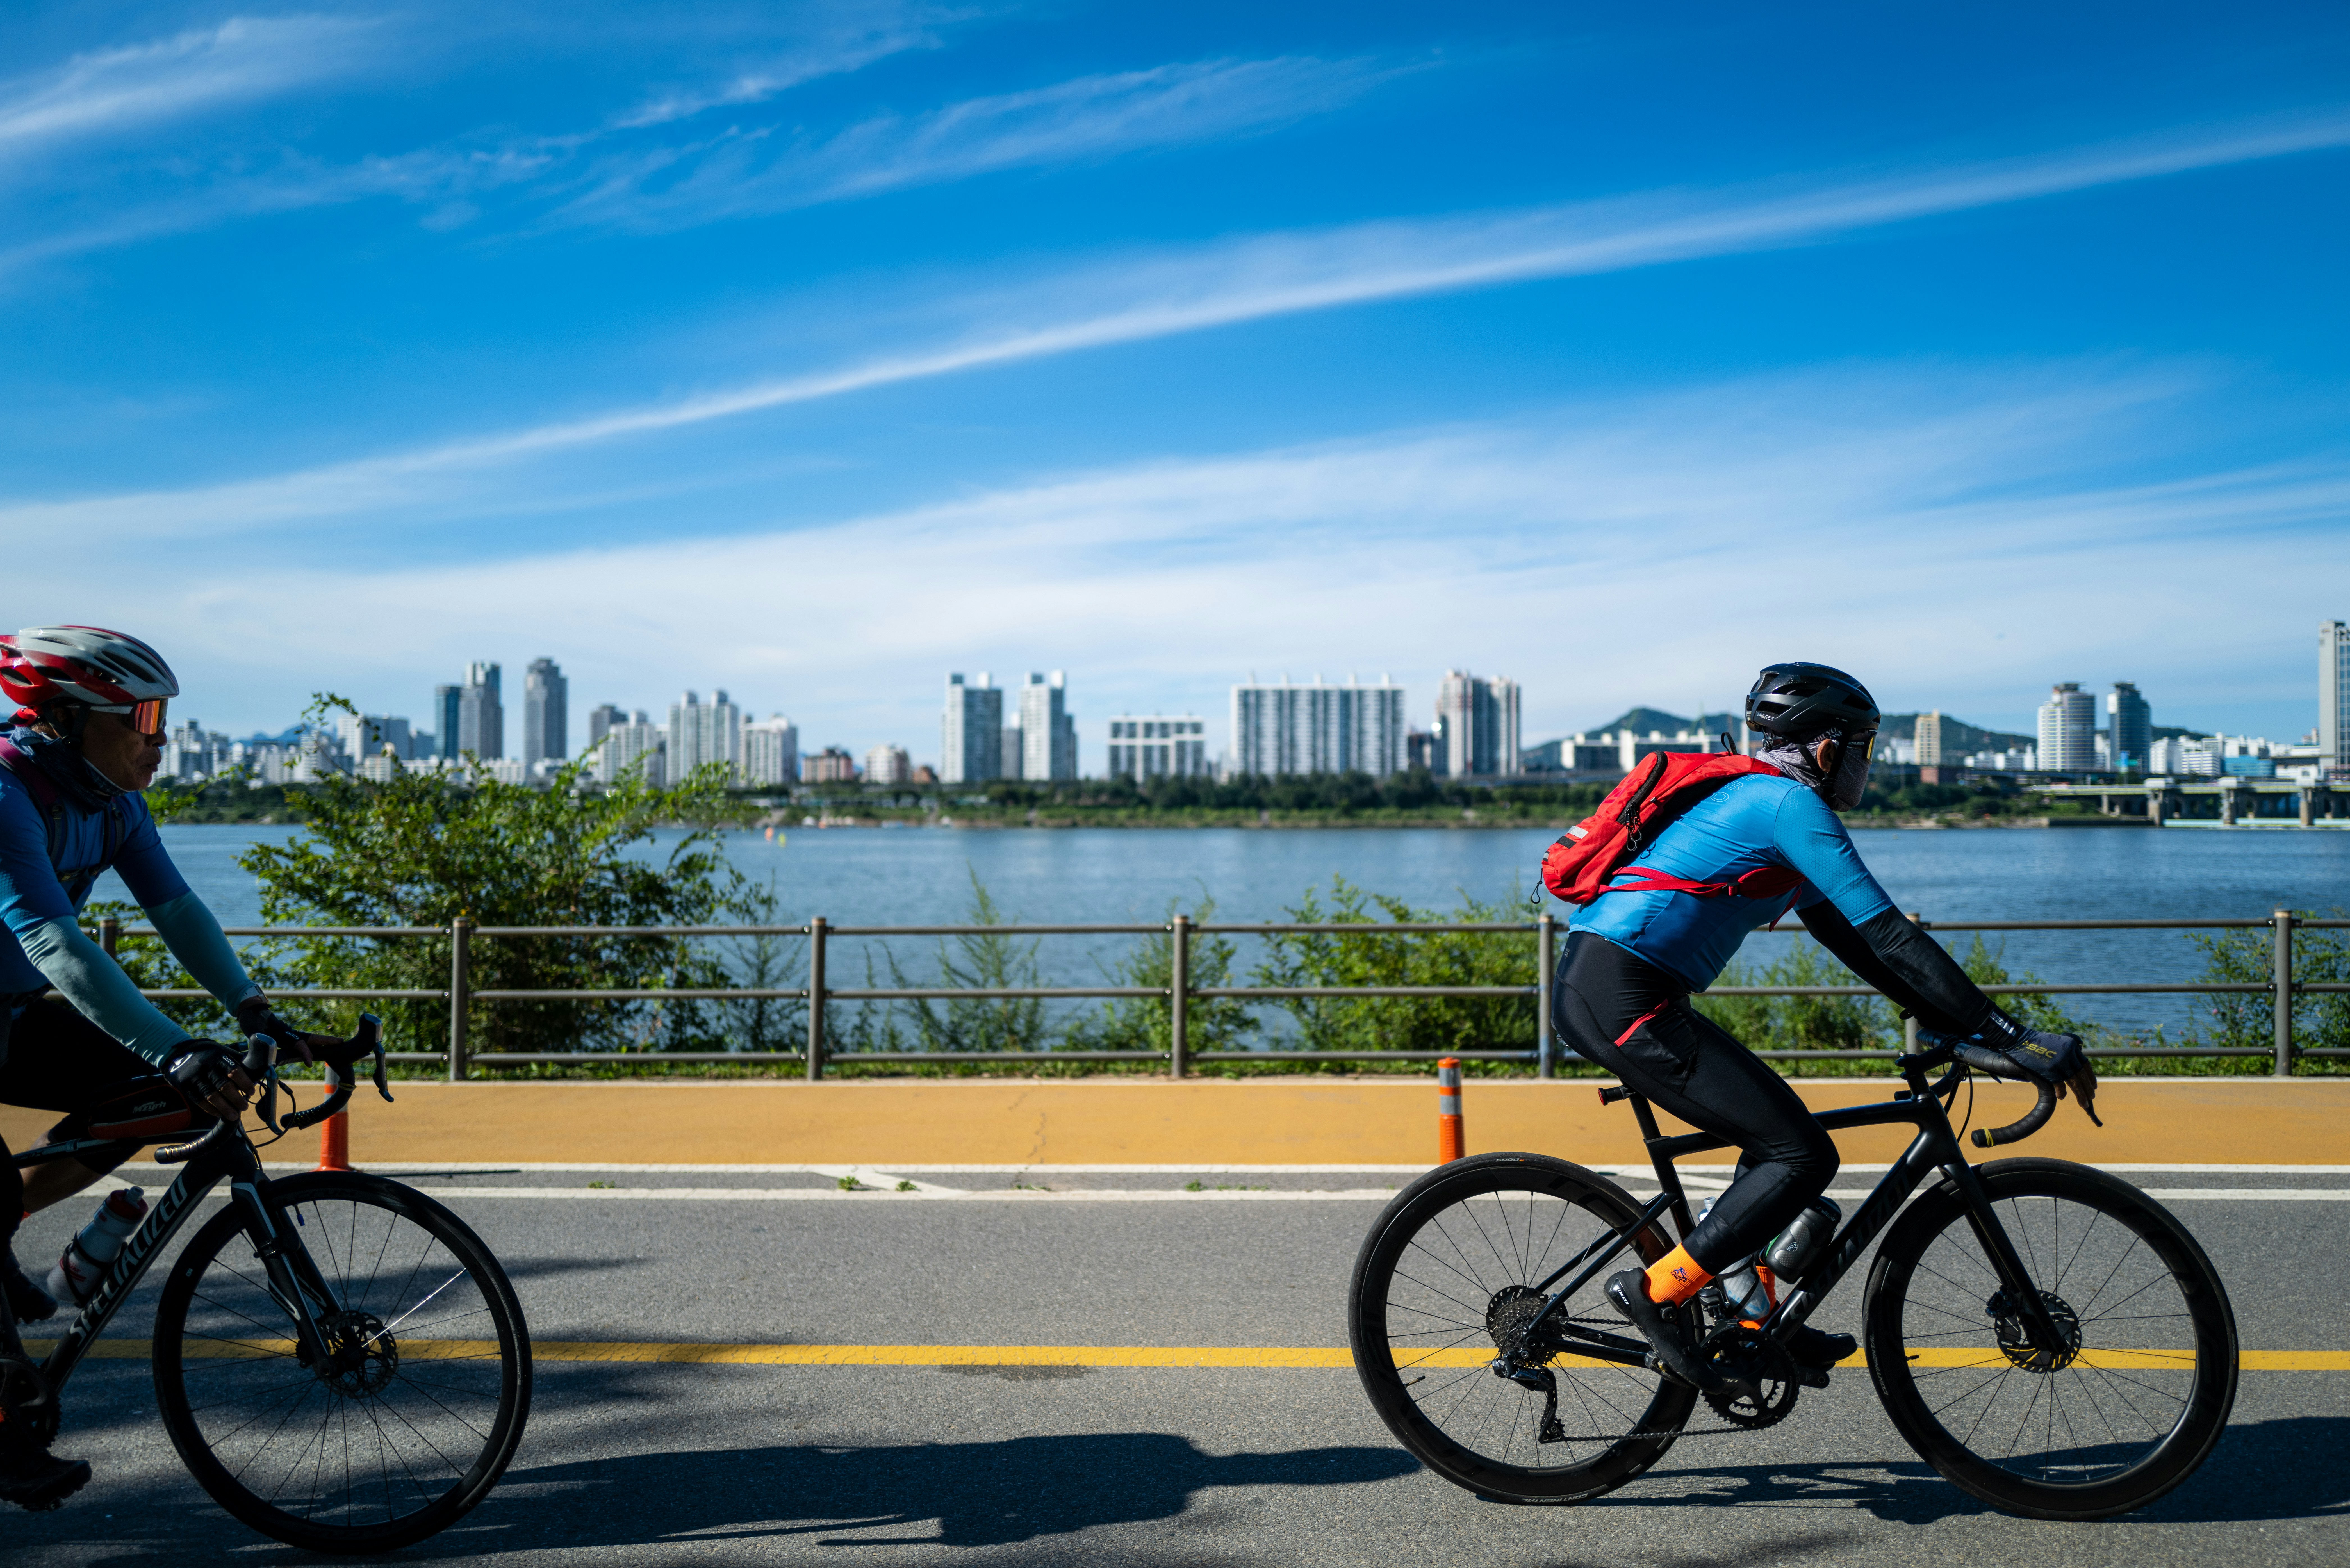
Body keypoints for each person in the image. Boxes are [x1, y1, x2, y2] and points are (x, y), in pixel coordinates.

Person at [1551, 662, 2098, 1392]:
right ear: (1827, 748)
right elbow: (1895, 938)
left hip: (1631, 990)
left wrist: (1956, 1028)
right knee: (1801, 1155)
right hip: (1619, 994)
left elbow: (1866, 951)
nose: (1868, 765)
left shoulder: (1776, 809)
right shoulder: (1786, 808)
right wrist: (2011, 1035)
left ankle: (1750, 1319)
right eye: (1865, 747)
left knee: (1784, 1141)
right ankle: (1654, 1290)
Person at [0, 626, 334, 1512]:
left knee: (163, 1101)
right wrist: (175, 1044)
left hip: (5, 1014)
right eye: (144, 718)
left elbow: (178, 910)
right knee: (170, 1068)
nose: (161, 738)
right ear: (69, 719)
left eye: (166, 719)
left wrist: (252, 1007)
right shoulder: (6, 787)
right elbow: (52, 940)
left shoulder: (112, 799)